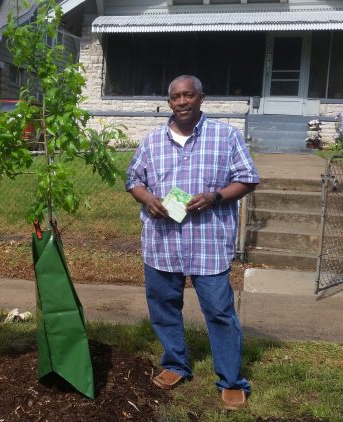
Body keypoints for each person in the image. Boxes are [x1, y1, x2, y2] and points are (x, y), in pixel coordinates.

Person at [125, 75, 259, 411]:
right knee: (164, 309)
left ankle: (230, 380)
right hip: (162, 243)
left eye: (188, 95)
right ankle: (175, 364)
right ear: (168, 102)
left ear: (201, 98)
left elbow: (247, 178)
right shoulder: (152, 141)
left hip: (208, 243)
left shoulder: (225, 136)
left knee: (219, 312)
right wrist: (147, 199)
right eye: (175, 97)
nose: (182, 101)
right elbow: (133, 179)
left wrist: (215, 196)